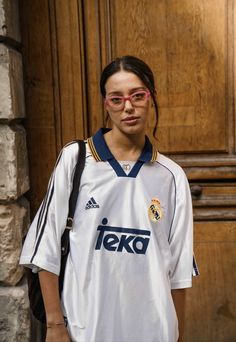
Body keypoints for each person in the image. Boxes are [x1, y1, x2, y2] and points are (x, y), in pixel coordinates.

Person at [20, 55, 199, 342]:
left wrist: (177, 335)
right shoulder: (75, 159)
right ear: (107, 105)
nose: (128, 106)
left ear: (150, 98)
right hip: (86, 329)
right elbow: (45, 249)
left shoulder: (172, 176)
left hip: (153, 331)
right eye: (116, 99)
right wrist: (55, 326)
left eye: (137, 95)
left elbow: (178, 273)